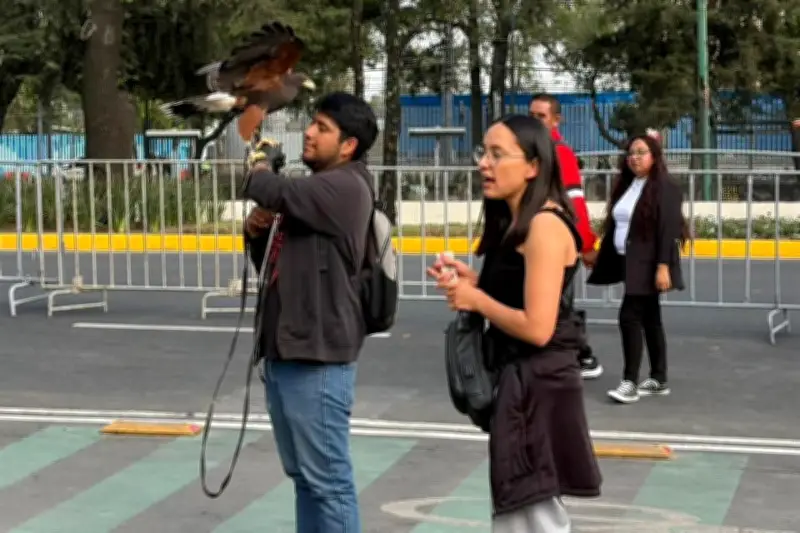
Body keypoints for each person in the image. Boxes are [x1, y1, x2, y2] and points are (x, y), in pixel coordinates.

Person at [428, 114, 602, 532]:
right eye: (482, 152)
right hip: (524, 385)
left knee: (530, 513)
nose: (483, 164)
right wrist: (474, 283)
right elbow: (521, 293)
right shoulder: (519, 220)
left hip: (537, 388)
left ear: (533, 166)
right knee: (521, 509)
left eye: (497, 154)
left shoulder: (544, 224)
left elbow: (538, 327)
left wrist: (476, 299)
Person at [241, 91, 379, 532]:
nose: (310, 133)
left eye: (323, 128)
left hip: (317, 356)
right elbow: (274, 267)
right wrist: (257, 233)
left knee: (328, 482)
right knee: (305, 478)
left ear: (349, 145)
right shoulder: (315, 192)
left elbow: (269, 188)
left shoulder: (345, 186)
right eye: (312, 123)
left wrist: (260, 163)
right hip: (288, 347)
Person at [587, 134, 687, 404]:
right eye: (631, 153)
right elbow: (617, 225)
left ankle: (629, 382)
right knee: (651, 319)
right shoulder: (629, 184)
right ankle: (658, 378)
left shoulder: (665, 187)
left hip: (649, 262)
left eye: (641, 152)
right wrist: (600, 253)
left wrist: (663, 266)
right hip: (627, 260)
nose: (635, 158)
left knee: (629, 317)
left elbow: (668, 230)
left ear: (655, 156)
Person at [529, 92, 603, 380]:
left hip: (558, 242)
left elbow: (575, 201)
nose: (535, 121)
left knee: (557, 303)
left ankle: (582, 355)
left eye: (541, 116)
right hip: (535, 239)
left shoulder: (560, 153)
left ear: (556, 120)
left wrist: (586, 244)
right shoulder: (532, 151)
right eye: (531, 115)